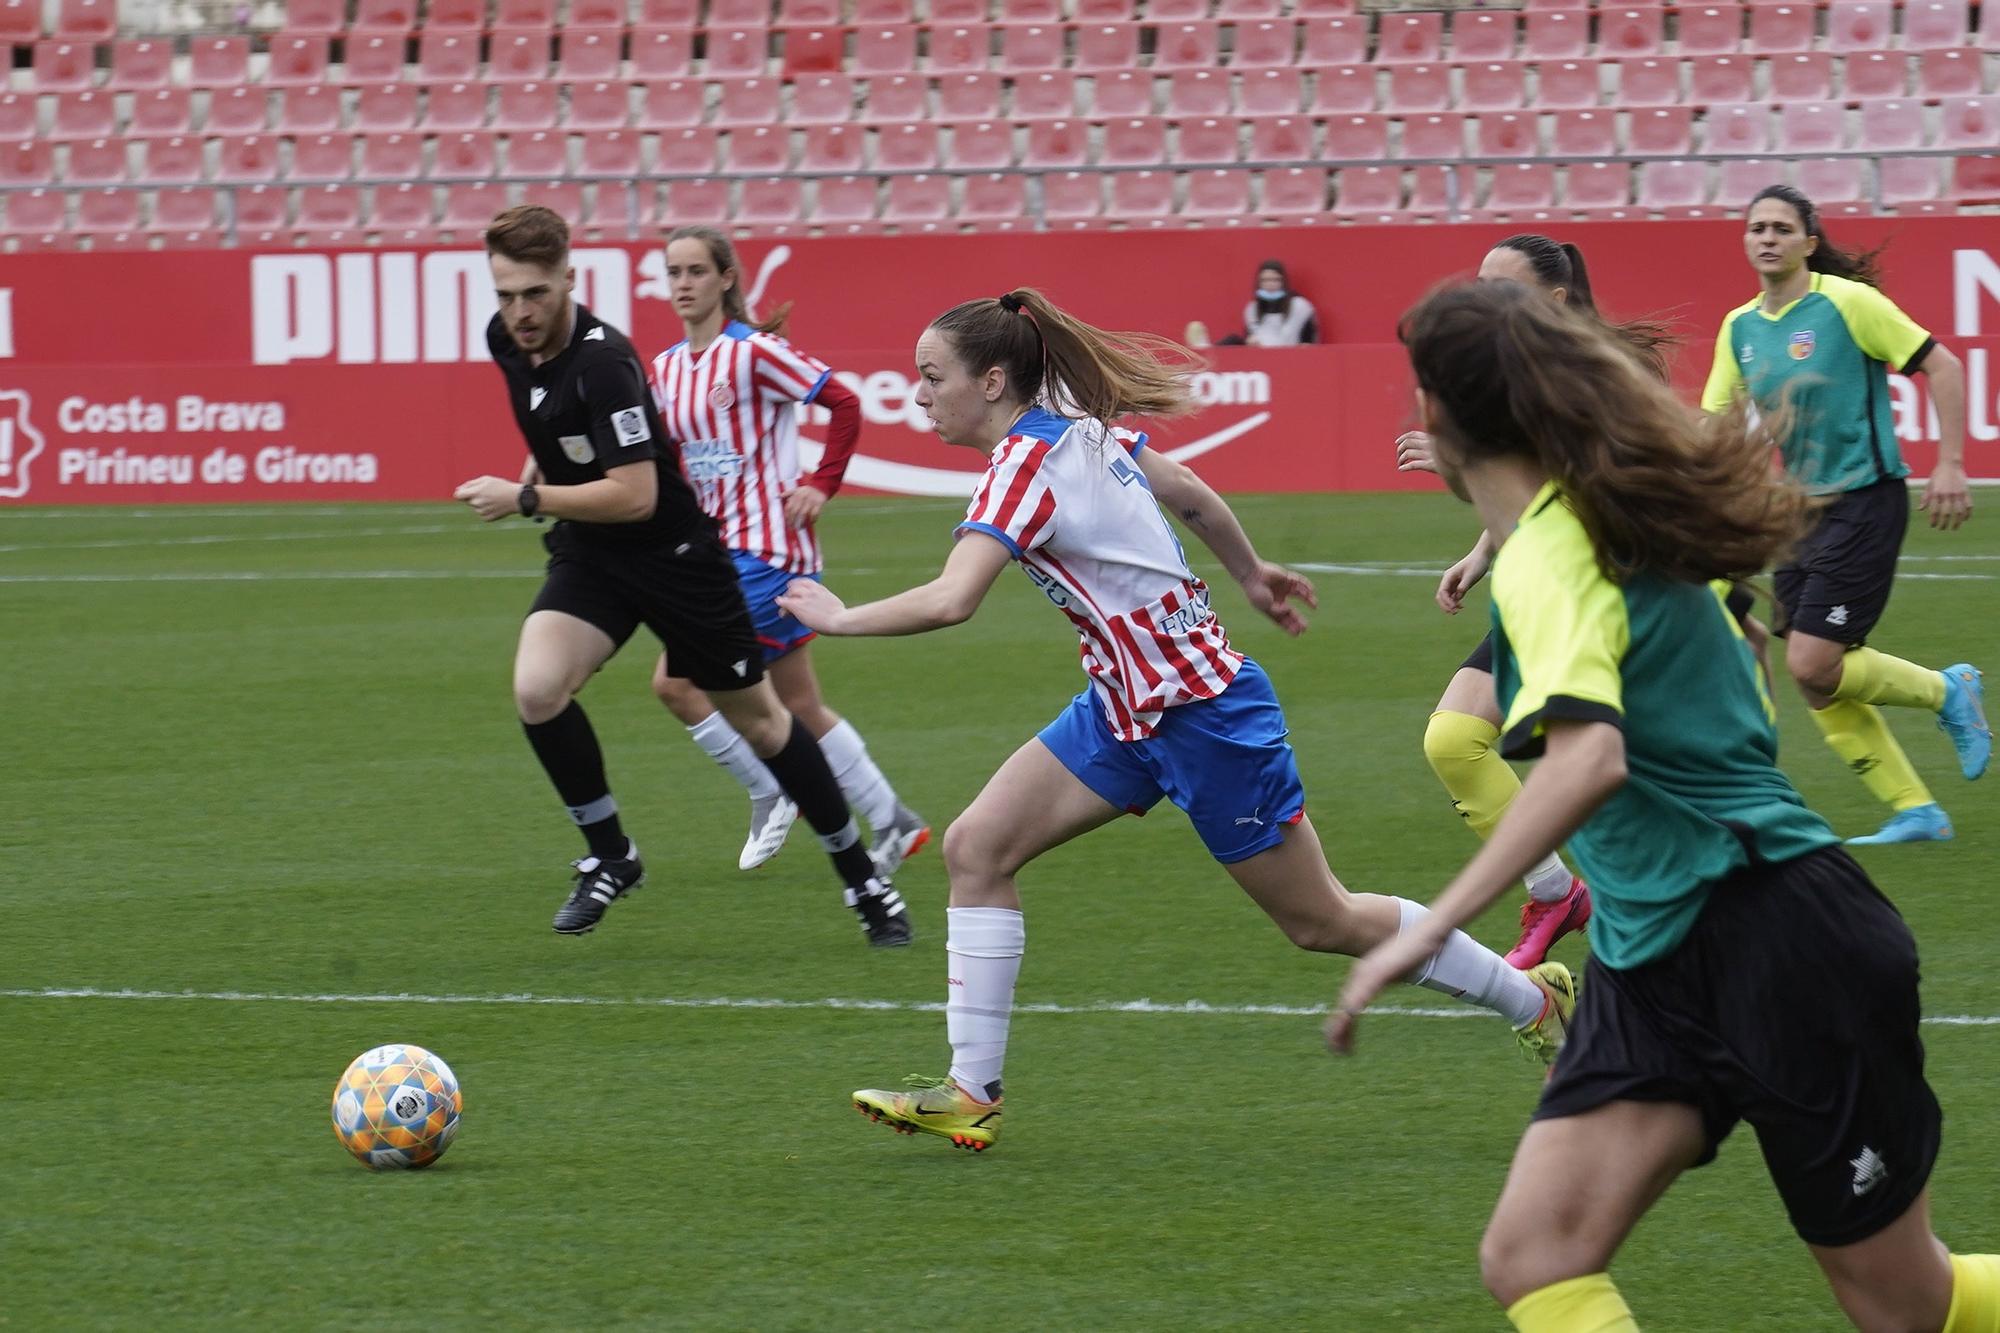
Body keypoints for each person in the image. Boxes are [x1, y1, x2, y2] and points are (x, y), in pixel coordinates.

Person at [1330, 279, 2000, 1333]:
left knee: (1905, 1302)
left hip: (1774, 937)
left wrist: (1426, 926)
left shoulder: (1556, 547)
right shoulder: (1583, 520)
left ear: (1442, 418)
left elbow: (1585, 760)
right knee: (1533, 1255)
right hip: (1651, 960)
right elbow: (1736, 665)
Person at [776, 288, 1575, 1154]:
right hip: (1123, 711)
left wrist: (838, 618)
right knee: (976, 847)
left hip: (1201, 717)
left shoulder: (1028, 463)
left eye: (932, 377)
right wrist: (1251, 571)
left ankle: (1537, 1000)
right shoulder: (1075, 424)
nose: (920, 392)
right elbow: (1186, 489)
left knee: (1322, 921)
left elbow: (952, 598)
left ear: (994, 379)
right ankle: (971, 1092)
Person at [452, 204, 910, 945]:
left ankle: (863, 876)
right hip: (593, 552)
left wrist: (526, 496)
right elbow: (570, 431)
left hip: (676, 557)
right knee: (537, 689)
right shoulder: (508, 342)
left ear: (570, 279)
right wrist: (550, 459)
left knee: (766, 718)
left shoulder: (607, 360)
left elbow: (637, 495)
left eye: (535, 293)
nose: (519, 311)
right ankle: (612, 854)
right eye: (505, 294)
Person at [1392, 235, 1678, 969]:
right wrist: (1481, 554)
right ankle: (1557, 893)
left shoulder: (1598, 382)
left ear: (1552, 302)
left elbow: (1582, 499)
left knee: (1626, 773)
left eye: (1500, 287)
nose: (1481, 297)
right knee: (1455, 739)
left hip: (1609, 600)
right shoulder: (1514, 380)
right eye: (1477, 284)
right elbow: (1530, 498)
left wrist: (1464, 467)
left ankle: (1665, 911)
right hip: (1543, 587)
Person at [1702, 184, 1988, 845]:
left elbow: (1941, 365)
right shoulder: (1739, 326)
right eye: (1756, 227)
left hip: (1865, 499)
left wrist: (1949, 462)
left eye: (1781, 227)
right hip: (1798, 512)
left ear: (1808, 241)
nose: (1767, 237)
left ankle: (1949, 692)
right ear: (1746, 242)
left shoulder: (1847, 303)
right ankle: (1916, 808)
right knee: (1822, 679)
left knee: (1809, 661)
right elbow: (1714, 423)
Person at [644, 225, 929, 877]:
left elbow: (843, 402)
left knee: (678, 681)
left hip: (768, 551)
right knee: (797, 702)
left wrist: (820, 484)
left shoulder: (754, 353)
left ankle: (772, 785)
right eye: (673, 273)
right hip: (718, 557)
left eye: (695, 271)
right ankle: (894, 820)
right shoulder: (665, 370)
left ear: (724, 279)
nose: (683, 284)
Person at [1229, 260, 1318, 347]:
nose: (1270, 284)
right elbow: (1250, 336)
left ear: (1283, 281)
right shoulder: (1252, 309)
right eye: (1265, 280)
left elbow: (1311, 339)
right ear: (1259, 283)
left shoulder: (1300, 306)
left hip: (1292, 357)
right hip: (1260, 358)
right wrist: (1250, 341)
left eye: (1275, 280)